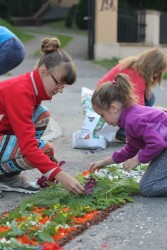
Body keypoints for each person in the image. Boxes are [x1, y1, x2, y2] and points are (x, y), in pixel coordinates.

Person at [0, 37, 85, 198]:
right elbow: (28, 147)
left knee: (41, 114)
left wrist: (52, 172)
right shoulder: (21, 93)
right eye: (59, 83)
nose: (60, 90)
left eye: (64, 86)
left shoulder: (31, 90)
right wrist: (60, 175)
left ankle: (7, 177)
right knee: (43, 149)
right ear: (43, 72)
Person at [89, 73, 167, 197]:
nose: (103, 120)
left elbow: (158, 143)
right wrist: (104, 162)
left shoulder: (132, 120)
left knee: (147, 188)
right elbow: (130, 149)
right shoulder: (129, 116)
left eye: (102, 115)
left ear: (113, 108)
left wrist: (138, 159)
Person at [96, 48, 167, 142]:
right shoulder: (137, 76)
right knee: (147, 102)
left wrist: (148, 88)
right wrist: (156, 110)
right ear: (151, 67)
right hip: (103, 99)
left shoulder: (133, 64)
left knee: (150, 97)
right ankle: (124, 131)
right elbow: (139, 110)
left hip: (100, 94)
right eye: (156, 71)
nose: (156, 75)